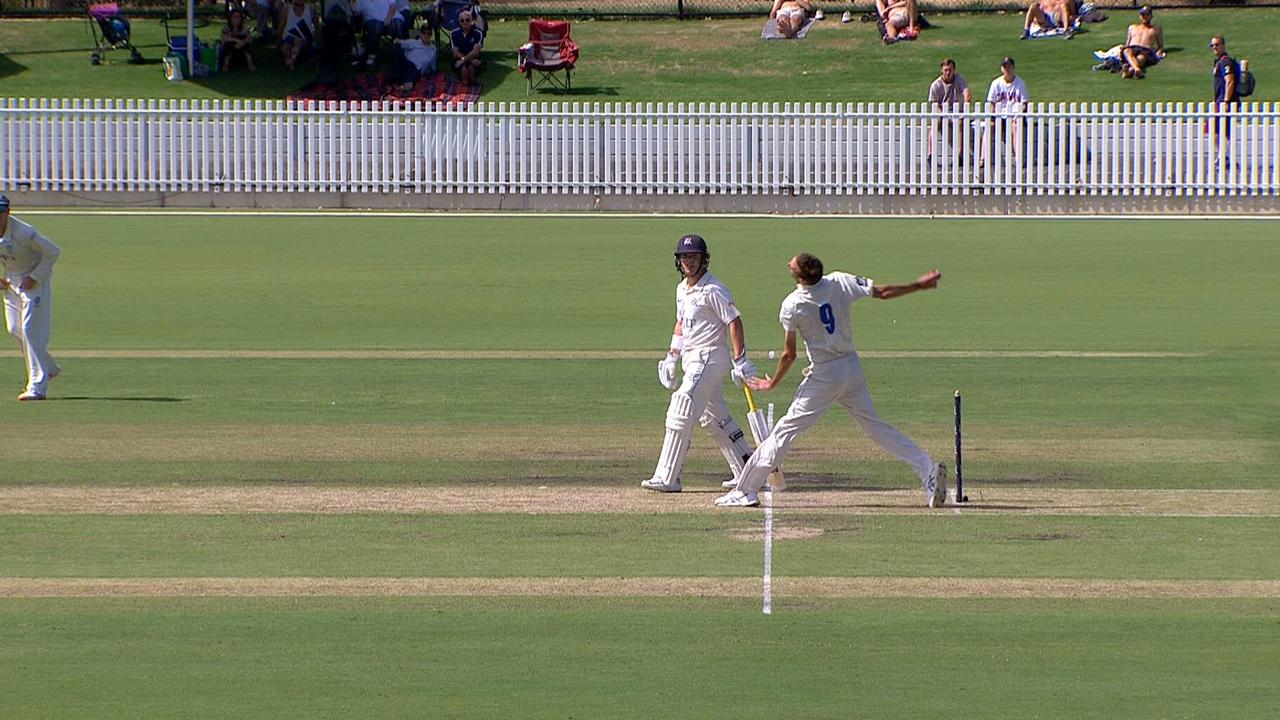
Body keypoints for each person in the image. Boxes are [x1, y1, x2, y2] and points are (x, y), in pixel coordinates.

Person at [715, 254, 946, 508]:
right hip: (851, 369)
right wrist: (918, 285)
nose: (788, 264)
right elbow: (883, 292)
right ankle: (927, 469)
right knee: (877, 428)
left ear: (801, 277)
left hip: (825, 375)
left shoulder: (793, 304)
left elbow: (789, 354)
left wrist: (773, 383)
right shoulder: (839, 281)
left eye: (792, 264)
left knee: (785, 431)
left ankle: (746, 490)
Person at [644, 234, 758, 494]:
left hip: (709, 356)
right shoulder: (681, 289)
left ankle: (667, 477)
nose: (689, 262)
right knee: (713, 418)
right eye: (685, 257)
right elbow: (681, 323)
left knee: (681, 405)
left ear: (703, 259)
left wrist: (740, 359)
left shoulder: (713, 289)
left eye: (694, 257)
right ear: (678, 261)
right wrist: (672, 357)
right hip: (691, 358)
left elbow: (734, 320)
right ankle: (748, 471)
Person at [0, 196, 61, 402]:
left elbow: (53, 251)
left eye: (1, 213)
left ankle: (37, 386)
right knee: (14, 329)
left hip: (33, 281)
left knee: (29, 329)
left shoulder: (24, 232)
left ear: (7, 212)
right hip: (11, 281)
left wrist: (34, 277)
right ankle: (49, 368)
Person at [985, 56, 1029, 166]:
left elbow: (1024, 104)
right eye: (1005, 67)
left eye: (1009, 66)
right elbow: (991, 103)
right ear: (1001, 69)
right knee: (989, 127)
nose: (1007, 69)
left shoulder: (1020, 83)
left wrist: (1017, 116)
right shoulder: (996, 83)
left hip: (1015, 115)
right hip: (1000, 116)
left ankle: (1018, 158)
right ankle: (983, 158)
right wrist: (992, 117)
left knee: (1015, 127)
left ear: (1013, 67)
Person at [928, 58, 973, 162]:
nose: (948, 72)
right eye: (945, 70)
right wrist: (943, 115)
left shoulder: (959, 80)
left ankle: (959, 154)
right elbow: (935, 105)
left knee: (960, 123)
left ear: (954, 70)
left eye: (950, 70)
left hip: (957, 112)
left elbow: (966, 91)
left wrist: (967, 99)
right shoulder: (936, 85)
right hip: (942, 112)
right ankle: (930, 154)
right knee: (935, 122)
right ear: (941, 70)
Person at [353, 0, 400, 66]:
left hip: (389, 19)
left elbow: (393, 5)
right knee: (376, 25)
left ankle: (400, 52)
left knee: (397, 24)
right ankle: (372, 54)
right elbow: (356, 12)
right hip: (372, 21)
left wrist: (388, 19)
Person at [391, 24, 438, 92]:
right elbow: (400, 43)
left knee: (409, 85)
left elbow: (433, 67)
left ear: (431, 36)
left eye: (428, 34)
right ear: (420, 34)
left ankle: (399, 83)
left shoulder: (433, 48)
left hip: (416, 68)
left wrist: (429, 71)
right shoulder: (414, 42)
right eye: (424, 33)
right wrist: (397, 41)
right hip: (406, 63)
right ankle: (396, 78)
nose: (426, 35)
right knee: (397, 49)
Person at [1121, 6, 1164, 79]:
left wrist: (1159, 52)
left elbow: (1160, 45)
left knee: (1141, 57)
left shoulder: (1156, 29)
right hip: (1132, 48)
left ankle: (1130, 70)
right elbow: (1127, 44)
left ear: (1151, 16)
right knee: (1127, 51)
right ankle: (1136, 69)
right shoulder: (1132, 27)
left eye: (1147, 15)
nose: (1144, 17)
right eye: (1142, 15)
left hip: (1145, 49)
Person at [278, 0, 318, 70]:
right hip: (289, 37)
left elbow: (317, 27)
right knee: (287, 45)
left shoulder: (311, 9)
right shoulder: (286, 9)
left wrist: (318, 43)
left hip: (304, 38)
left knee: (299, 41)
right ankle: (290, 56)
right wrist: (277, 42)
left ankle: (292, 58)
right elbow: (281, 28)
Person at [450, 9, 484, 86]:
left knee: (472, 68)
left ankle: (470, 78)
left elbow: (476, 52)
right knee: (465, 71)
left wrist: (463, 60)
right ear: (459, 22)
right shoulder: (454, 34)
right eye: (462, 20)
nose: (465, 22)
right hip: (461, 59)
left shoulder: (478, 33)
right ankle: (466, 79)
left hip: (471, 59)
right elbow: (455, 53)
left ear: (471, 21)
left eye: (467, 20)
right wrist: (465, 60)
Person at [220, 8, 257, 72]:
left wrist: (242, 42)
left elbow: (249, 38)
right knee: (228, 44)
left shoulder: (244, 28)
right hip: (230, 51)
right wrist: (236, 40)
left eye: (239, 17)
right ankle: (225, 65)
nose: (237, 19)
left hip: (241, 51)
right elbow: (224, 38)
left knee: (246, 45)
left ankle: (250, 64)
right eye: (235, 17)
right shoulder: (227, 28)